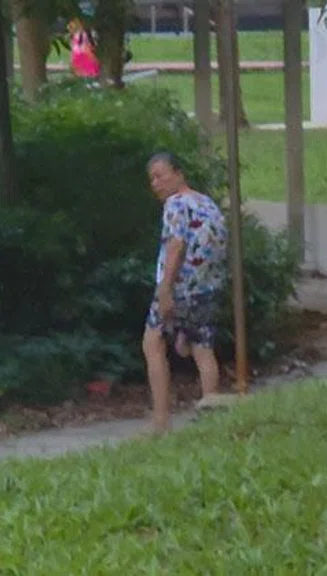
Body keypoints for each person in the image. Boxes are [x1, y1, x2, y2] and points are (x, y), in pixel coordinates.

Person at [143, 152, 230, 433]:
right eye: (152, 179)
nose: (155, 183)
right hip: (208, 288)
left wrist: (165, 290)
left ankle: (160, 423)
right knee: (203, 349)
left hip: (181, 286)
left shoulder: (175, 204)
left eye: (160, 175)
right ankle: (212, 418)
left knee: (152, 343)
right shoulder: (207, 203)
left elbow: (176, 245)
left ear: (178, 173)